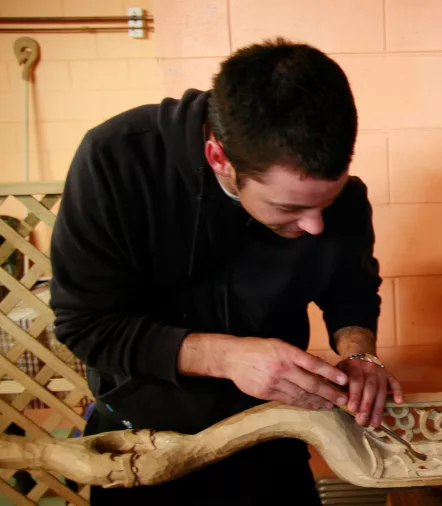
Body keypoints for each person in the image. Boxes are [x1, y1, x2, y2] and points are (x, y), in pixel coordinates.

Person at [49, 38, 403, 505]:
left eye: (328, 201)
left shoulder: (334, 200)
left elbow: (351, 293)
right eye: (288, 207)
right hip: (144, 449)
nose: (314, 225)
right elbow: (87, 324)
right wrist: (228, 357)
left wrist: (361, 356)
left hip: (273, 438)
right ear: (221, 159)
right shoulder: (116, 160)